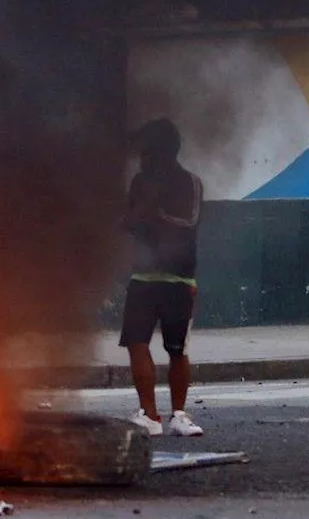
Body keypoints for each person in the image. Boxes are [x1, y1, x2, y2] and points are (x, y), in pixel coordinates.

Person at [120, 118, 205, 437]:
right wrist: (137, 213)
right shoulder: (140, 183)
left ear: (161, 150)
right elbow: (127, 222)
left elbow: (188, 222)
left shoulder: (190, 183)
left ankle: (179, 415)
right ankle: (151, 415)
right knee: (137, 343)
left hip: (178, 278)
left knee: (176, 349)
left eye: (146, 149)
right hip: (143, 276)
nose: (142, 156)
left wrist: (151, 213)